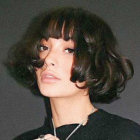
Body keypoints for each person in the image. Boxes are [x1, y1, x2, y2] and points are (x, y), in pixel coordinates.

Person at [7, 7, 140, 140]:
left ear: (95, 62)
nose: (48, 59)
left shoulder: (125, 134)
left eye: (69, 50)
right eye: (44, 47)